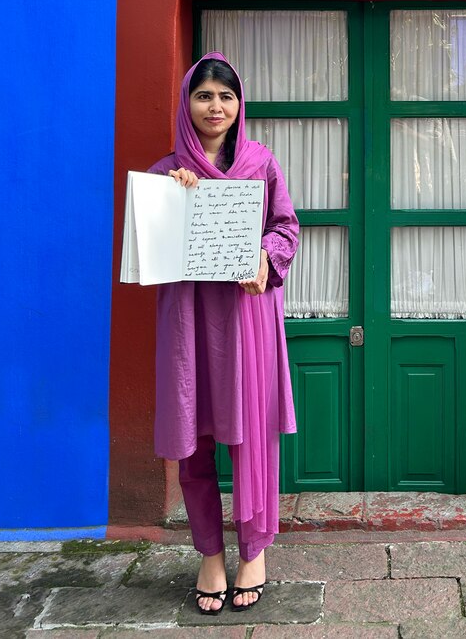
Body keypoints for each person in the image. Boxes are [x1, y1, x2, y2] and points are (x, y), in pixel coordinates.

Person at [147, 52, 298, 614]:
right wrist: (173, 201)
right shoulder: (166, 173)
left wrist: (266, 257)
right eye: (204, 95)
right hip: (188, 321)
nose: (216, 107)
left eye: (226, 96)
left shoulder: (260, 163)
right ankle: (209, 554)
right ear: (187, 103)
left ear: (240, 105)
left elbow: (286, 227)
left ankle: (253, 550)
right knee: (196, 440)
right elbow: (150, 251)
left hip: (245, 317)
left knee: (251, 436)